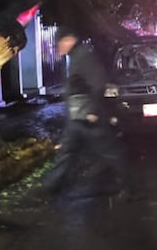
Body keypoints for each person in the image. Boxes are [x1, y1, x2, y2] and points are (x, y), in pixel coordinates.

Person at [43, 29, 127, 197]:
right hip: (77, 116)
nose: (58, 47)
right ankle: (51, 188)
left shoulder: (83, 56)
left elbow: (98, 83)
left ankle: (131, 187)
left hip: (89, 116)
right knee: (67, 151)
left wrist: (93, 110)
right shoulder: (75, 57)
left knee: (109, 153)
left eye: (60, 43)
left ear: (70, 40)